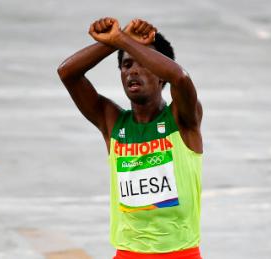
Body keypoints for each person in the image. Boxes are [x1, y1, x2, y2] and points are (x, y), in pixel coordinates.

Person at [57, 17, 203, 259]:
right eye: (126, 65)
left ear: (161, 75)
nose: (133, 71)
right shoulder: (112, 122)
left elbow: (181, 78)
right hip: (128, 253)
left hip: (180, 253)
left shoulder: (182, 119)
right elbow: (67, 73)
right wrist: (114, 40)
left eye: (143, 63)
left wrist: (123, 40)